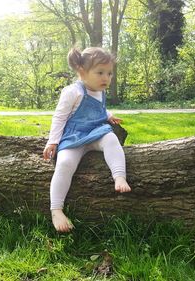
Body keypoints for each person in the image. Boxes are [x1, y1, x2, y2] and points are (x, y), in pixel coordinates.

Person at [42, 47, 131, 232]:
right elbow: (60, 117)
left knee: (112, 140)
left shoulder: (100, 90)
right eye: (100, 72)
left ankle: (119, 177)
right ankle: (56, 209)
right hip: (74, 136)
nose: (106, 78)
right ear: (82, 72)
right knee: (65, 163)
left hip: (96, 132)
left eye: (109, 73)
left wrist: (108, 115)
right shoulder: (73, 91)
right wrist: (53, 141)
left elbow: (99, 108)